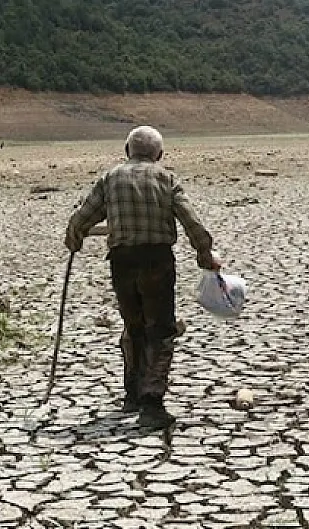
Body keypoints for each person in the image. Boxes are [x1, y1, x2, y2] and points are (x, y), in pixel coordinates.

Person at [64, 125, 220, 428]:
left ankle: (132, 395)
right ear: (159, 154)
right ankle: (151, 402)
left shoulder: (110, 179)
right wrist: (205, 254)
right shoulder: (167, 179)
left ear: (127, 152)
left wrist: (75, 239)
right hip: (157, 261)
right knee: (160, 330)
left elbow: (82, 218)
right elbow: (192, 222)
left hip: (122, 261)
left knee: (133, 327)